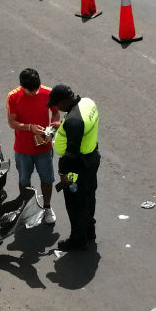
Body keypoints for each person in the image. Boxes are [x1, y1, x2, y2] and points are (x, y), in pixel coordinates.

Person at [46, 84, 101, 250]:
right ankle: (89, 231)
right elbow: (79, 125)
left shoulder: (74, 121)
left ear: (64, 101)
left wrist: (63, 173)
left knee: (75, 202)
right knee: (89, 197)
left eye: (57, 104)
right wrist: (62, 125)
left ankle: (78, 240)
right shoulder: (87, 103)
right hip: (92, 159)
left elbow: (71, 154)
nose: (57, 108)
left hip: (77, 168)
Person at [6, 68, 61, 224]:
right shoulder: (13, 97)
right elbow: (12, 122)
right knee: (24, 180)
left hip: (44, 146)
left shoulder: (48, 93)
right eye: (30, 91)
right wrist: (29, 127)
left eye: (36, 89)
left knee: (47, 179)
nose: (34, 93)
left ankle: (47, 207)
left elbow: (56, 113)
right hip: (23, 149)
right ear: (22, 86)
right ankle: (26, 207)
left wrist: (51, 129)